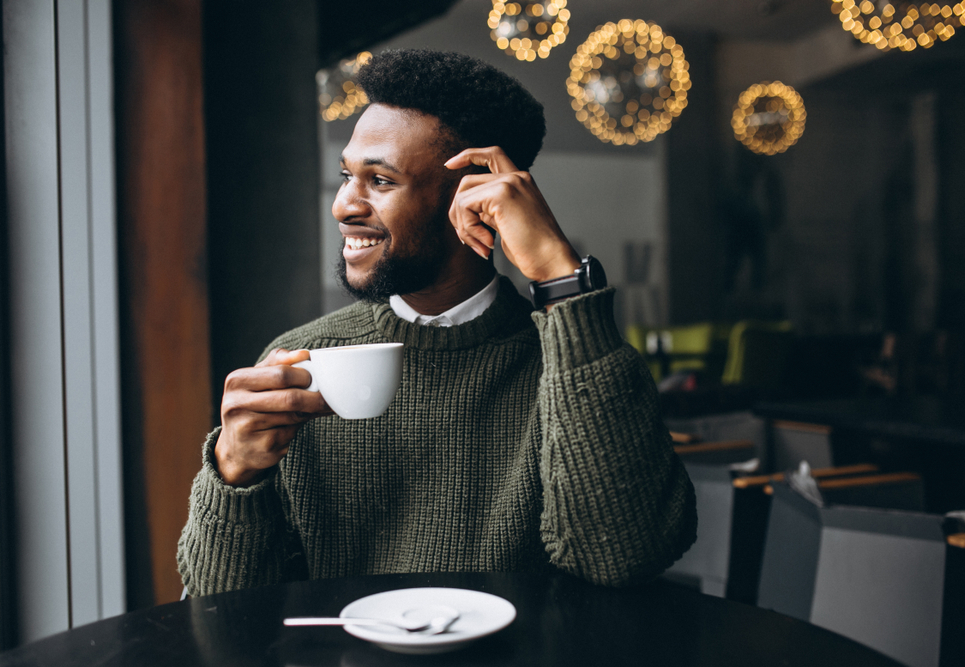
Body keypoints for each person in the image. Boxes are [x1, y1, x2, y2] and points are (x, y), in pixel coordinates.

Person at [178, 49, 696, 596]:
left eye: (379, 181)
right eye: (346, 175)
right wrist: (234, 472)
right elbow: (219, 611)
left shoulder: (573, 362)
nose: (342, 206)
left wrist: (559, 277)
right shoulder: (300, 361)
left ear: (473, 195)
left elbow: (624, 556)